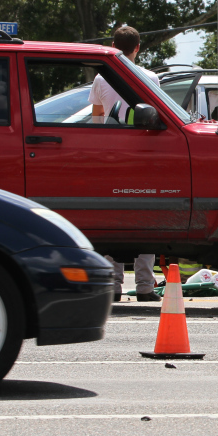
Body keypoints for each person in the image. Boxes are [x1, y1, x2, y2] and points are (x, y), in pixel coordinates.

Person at [88, 25, 161, 302]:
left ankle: (113, 286)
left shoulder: (100, 79)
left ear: (113, 46)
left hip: (111, 157)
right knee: (146, 217)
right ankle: (145, 286)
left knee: (112, 218)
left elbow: (97, 116)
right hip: (143, 156)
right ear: (138, 48)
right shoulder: (150, 78)